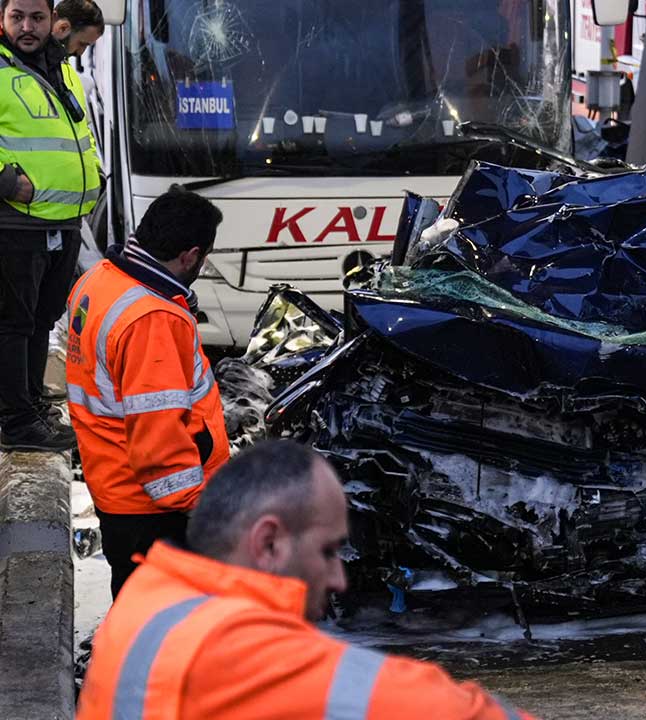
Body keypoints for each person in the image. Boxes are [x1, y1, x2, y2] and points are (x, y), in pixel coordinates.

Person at [76, 439, 534, 720]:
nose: (338, 578)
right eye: (328, 551)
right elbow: (439, 707)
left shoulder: (147, 598)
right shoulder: (240, 653)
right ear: (269, 542)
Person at [66, 185, 230, 597]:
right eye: (204, 258)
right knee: (164, 619)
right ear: (190, 255)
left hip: (114, 484)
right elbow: (159, 439)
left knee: (139, 609)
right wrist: (200, 504)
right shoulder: (153, 319)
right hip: (154, 510)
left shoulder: (100, 280)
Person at [0, 0, 101, 452]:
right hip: (16, 223)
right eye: (16, 17)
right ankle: (17, 423)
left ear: (51, 21)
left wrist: (95, 175)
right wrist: (6, 182)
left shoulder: (62, 69)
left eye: (36, 17)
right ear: (2, 19)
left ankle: (32, 404)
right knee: (14, 324)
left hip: (63, 221)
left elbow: (81, 135)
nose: (27, 26)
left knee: (41, 320)